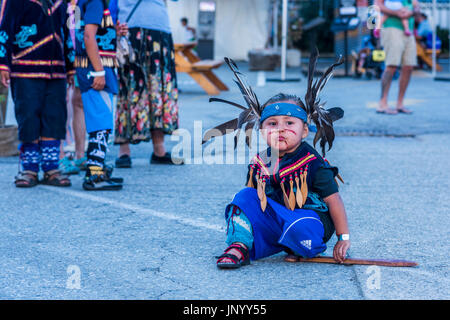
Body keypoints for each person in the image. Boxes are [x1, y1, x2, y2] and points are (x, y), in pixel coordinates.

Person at [206, 52, 351, 269]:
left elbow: (333, 200)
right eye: (272, 124)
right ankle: (239, 246)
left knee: (299, 227)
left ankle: (296, 245)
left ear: (304, 131)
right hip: (277, 220)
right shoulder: (260, 162)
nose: (280, 128)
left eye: (289, 123)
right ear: (262, 130)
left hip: (310, 221)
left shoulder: (313, 162)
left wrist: (343, 238)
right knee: (243, 196)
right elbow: (254, 204)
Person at [0, 0, 74, 188]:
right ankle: (29, 169)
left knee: (55, 117)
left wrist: (71, 67)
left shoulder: (60, 3)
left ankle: (51, 168)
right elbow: (4, 29)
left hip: (56, 71)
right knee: (28, 116)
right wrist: (3, 64)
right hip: (25, 70)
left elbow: (66, 35)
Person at [114, 0, 183, 168]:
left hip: (159, 28)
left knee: (158, 88)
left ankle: (159, 148)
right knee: (130, 87)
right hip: (129, 27)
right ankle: (124, 149)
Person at [74, 0, 123, 190]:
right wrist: (99, 71)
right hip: (95, 69)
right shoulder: (95, 2)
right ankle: (94, 174)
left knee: (99, 121)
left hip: (88, 67)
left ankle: (97, 168)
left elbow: (83, 33)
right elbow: (88, 36)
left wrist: (113, 32)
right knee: (101, 123)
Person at [59, 0, 87, 175]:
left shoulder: (77, 6)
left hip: (78, 56)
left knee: (78, 102)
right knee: (59, 102)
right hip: (59, 54)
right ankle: (59, 152)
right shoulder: (65, 6)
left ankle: (80, 154)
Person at [375, 0, 419, 115]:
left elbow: (416, 7)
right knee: (391, 65)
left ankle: (400, 104)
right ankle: (382, 103)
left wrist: (412, 12)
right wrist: (397, 12)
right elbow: (377, 5)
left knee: (408, 67)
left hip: (408, 30)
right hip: (391, 28)